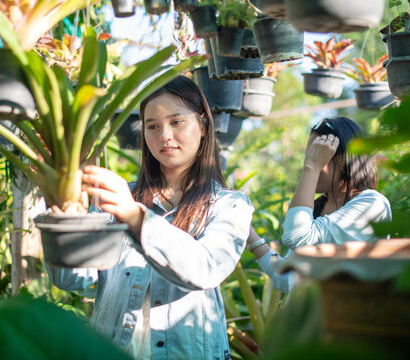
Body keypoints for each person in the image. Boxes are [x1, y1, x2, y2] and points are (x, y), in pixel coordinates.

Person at [46, 75, 254, 359]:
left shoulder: (230, 205)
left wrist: (134, 217)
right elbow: (74, 280)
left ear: (204, 126)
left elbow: (204, 268)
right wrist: (64, 221)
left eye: (177, 122)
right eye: (152, 126)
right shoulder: (115, 197)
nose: (165, 136)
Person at [247, 117, 392, 293]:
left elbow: (297, 237)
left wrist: (311, 167)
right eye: (309, 157)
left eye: (316, 155)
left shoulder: (372, 205)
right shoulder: (317, 209)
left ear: (341, 160)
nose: (308, 163)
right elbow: (287, 279)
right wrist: (249, 233)